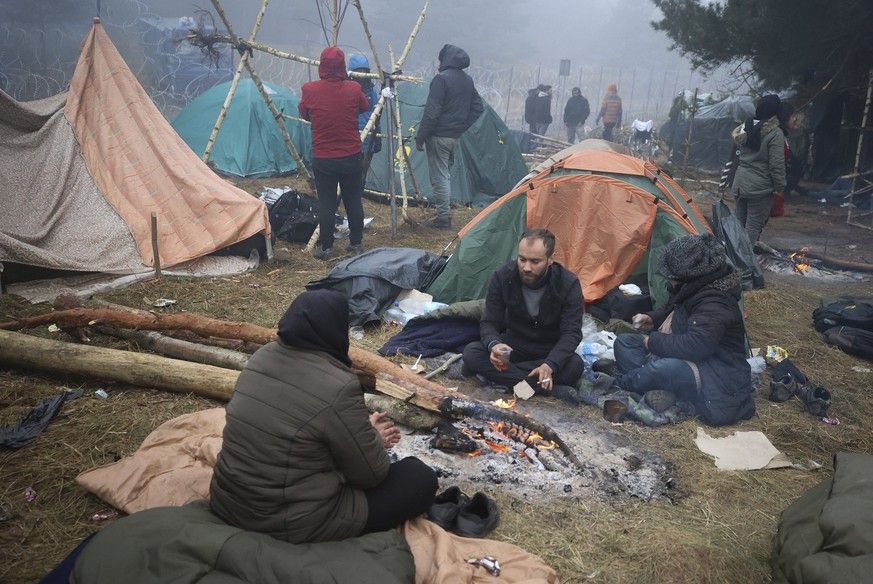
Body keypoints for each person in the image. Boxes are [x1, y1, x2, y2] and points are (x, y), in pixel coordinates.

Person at [210, 290, 438, 544]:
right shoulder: (339, 385)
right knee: (419, 477)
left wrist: (360, 433)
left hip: (228, 501)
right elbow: (371, 475)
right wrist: (373, 438)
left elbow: (297, 428)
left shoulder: (261, 356)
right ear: (336, 330)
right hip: (284, 522)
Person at [613, 234, 755, 426]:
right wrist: (652, 319)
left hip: (714, 373)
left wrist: (653, 341)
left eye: (673, 277)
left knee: (663, 369)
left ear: (689, 276)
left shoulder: (716, 303)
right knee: (624, 342)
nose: (670, 281)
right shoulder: (696, 288)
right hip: (687, 359)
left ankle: (624, 383)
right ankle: (654, 387)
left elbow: (695, 346)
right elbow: (676, 313)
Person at [462, 228, 584, 393]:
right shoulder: (502, 277)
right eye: (522, 259)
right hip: (514, 346)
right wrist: (495, 345)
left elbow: (572, 333)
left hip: (547, 351)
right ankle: (536, 387)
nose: (526, 267)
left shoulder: (568, 284)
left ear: (550, 259)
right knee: (471, 352)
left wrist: (550, 364)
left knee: (574, 365)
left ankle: (512, 383)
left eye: (535, 261)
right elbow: (489, 322)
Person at [299, 47, 369, 260]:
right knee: (353, 199)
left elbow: (304, 112)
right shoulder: (354, 88)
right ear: (342, 66)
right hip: (351, 154)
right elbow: (364, 106)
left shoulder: (309, 89)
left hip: (324, 157)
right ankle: (356, 244)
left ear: (321, 65)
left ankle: (327, 248)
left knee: (327, 202)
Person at [415, 44, 484, 229]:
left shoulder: (441, 80)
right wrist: (461, 126)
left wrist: (421, 137)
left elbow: (432, 112)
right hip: (454, 137)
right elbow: (478, 107)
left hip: (438, 136)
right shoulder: (467, 80)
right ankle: (443, 214)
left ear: (445, 59)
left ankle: (443, 219)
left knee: (440, 177)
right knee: (445, 175)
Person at [730, 94, 786, 244]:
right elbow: (776, 165)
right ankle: (744, 262)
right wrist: (780, 187)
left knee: (738, 224)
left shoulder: (745, 127)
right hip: (759, 188)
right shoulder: (775, 133)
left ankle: (731, 258)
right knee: (753, 227)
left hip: (740, 184)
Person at [348, 54, 382, 178]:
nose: (361, 74)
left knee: (362, 174)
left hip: (368, 142)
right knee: (350, 174)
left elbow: (376, 116)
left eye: (364, 71)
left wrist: (377, 141)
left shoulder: (371, 92)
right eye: (358, 71)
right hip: (351, 140)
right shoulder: (347, 91)